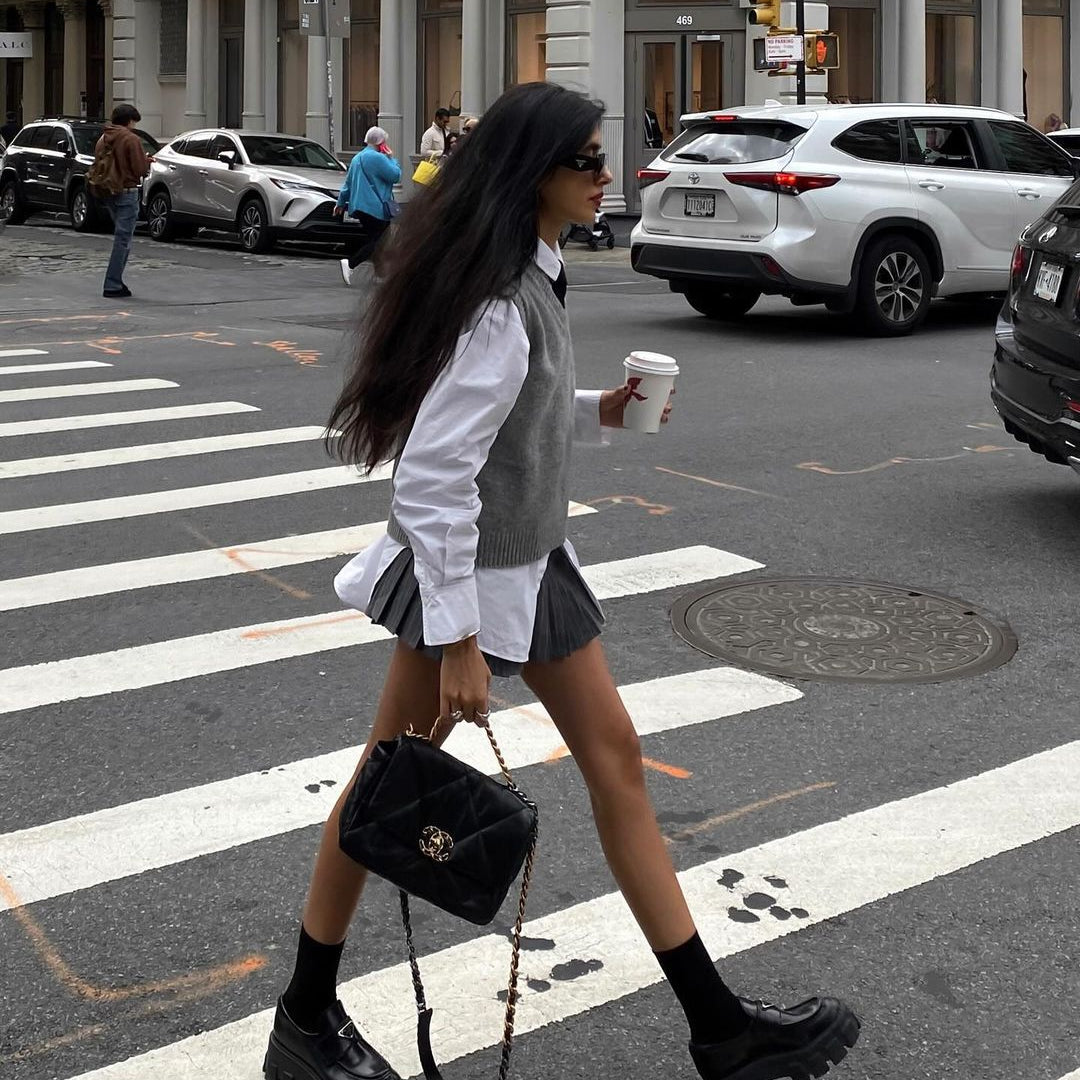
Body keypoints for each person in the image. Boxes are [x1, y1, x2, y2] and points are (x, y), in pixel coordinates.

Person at [263, 81, 860, 1080]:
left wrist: (602, 408)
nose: (606, 176)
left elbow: (513, 422)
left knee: (614, 760)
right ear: (530, 174)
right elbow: (435, 475)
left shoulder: (532, 278)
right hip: (476, 580)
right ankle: (306, 1017)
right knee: (384, 790)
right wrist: (456, 638)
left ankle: (720, 1027)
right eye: (586, 161)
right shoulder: (500, 304)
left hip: (530, 567)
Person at [93, 104, 151, 299]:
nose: (134, 125)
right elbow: (139, 169)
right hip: (126, 191)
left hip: (108, 190)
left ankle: (115, 281)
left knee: (120, 236)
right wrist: (146, 161)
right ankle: (112, 283)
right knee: (123, 240)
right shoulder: (130, 138)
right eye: (134, 122)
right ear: (129, 121)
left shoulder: (103, 138)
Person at [334, 126, 401, 286]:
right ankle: (351, 263)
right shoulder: (379, 158)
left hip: (360, 207)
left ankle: (380, 274)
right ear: (381, 142)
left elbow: (348, 184)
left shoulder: (357, 158)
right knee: (379, 241)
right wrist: (391, 158)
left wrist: (341, 203)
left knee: (376, 239)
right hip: (376, 207)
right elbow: (395, 176)